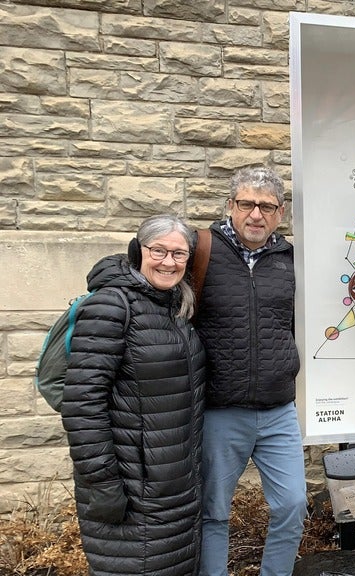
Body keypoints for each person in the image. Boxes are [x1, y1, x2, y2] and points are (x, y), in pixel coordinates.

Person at [62, 214, 205, 576]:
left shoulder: (174, 307)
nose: (168, 262)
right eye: (159, 251)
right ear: (138, 251)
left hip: (174, 486)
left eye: (179, 254)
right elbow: (82, 406)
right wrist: (103, 484)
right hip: (130, 488)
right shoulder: (111, 306)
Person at [194, 165, 306, 576]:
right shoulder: (200, 250)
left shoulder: (292, 260)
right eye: (247, 204)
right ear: (231, 206)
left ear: (280, 214)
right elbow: (153, 272)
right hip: (221, 411)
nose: (256, 214)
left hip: (278, 411)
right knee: (214, 511)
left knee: (293, 504)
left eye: (267, 206)